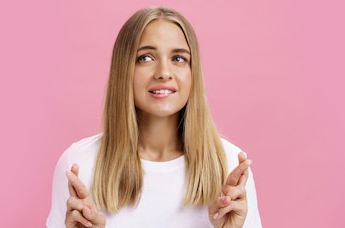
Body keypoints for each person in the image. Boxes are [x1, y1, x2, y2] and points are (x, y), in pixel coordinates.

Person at [47, 6, 262, 228]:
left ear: (193, 72)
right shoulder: (80, 164)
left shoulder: (229, 165)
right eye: (146, 57)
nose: (164, 72)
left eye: (178, 58)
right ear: (124, 69)